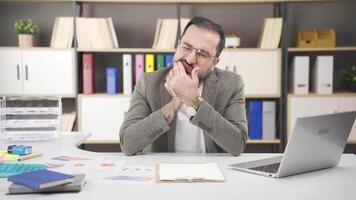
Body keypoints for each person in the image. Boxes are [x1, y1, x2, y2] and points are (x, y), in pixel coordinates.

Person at [119, 16, 247, 156]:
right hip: (162, 170)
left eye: (202, 54)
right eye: (186, 47)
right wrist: (174, 103)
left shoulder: (232, 84)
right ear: (178, 45)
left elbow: (237, 145)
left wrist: (194, 100)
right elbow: (127, 144)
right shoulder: (148, 82)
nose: (190, 59)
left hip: (212, 170)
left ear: (214, 62)